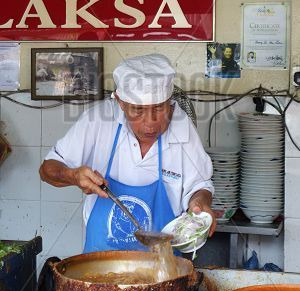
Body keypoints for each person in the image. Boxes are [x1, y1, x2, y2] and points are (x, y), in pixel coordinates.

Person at [39, 54, 216, 253]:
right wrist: (72, 176)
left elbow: (200, 185)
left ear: (169, 101)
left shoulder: (183, 127)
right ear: (121, 103)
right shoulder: (97, 121)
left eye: (159, 108)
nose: (150, 122)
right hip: (101, 262)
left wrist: (199, 202)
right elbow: (47, 170)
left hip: (164, 266)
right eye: (138, 110)